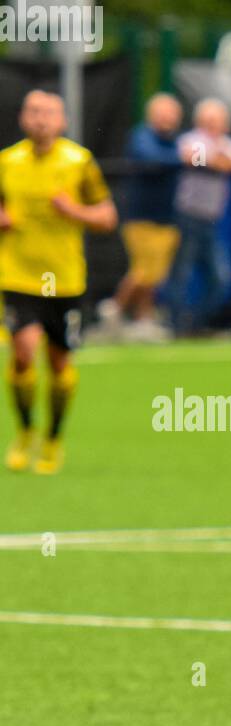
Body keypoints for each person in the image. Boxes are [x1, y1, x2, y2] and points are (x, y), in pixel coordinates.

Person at [0, 90, 117, 475]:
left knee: (59, 361)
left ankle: (53, 437)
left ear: (63, 120)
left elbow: (106, 217)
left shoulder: (78, 162)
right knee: (22, 351)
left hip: (64, 280)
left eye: (49, 112)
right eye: (33, 111)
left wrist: (74, 211)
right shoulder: (7, 162)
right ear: (22, 118)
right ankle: (25, 430)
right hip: (17, 275)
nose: (41, 119)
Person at [99, 92, 182, 341]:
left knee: (156, 274)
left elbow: (196, 159)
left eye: (172, 114)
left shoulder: (176, 140)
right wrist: (183, 157)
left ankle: (143, 320)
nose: (168, 119)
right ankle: (113, 310)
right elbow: (152, 159)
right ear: (151, 115)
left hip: (167, 217)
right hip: (141, 216)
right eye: (163, 113)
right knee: (144, 270)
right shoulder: (142, 137)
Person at [168, 98, 231, 335]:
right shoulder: (192, 139)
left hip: (213, 220)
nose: (214, 124)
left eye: (218, 120)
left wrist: (223, 161)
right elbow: (194, 158)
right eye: (209, 120)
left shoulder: (227, 143)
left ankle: (196, 323)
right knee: (181, 273)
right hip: (188, 216)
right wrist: (220, 162)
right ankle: (176, 326)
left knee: (220, 277)